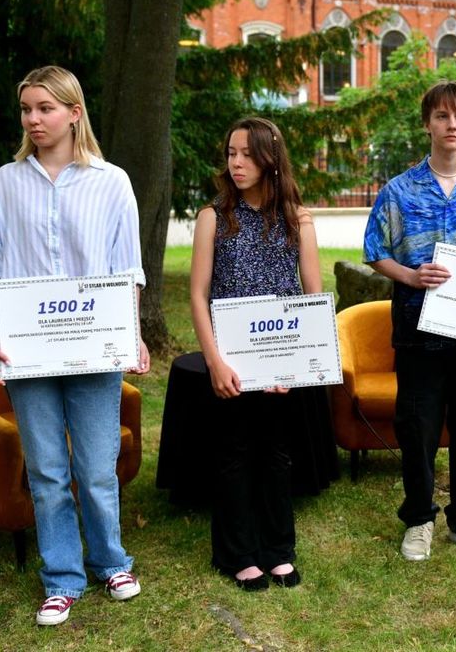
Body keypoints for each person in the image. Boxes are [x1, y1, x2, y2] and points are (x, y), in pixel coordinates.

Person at [0, 65, 149, 626]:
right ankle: (62, 577)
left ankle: (110, 561)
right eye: (26, 109)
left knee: (97, 465)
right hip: (27, 348)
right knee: (48, 470)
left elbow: (128, 269)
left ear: (74, 113)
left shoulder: (112, 181)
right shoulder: (8, 180)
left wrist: (134, 335)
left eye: (44, 109)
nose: (33, 119)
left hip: (93, 346)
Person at [363, 80, 456, 561]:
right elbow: (375, 252)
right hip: (417, 332)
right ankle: (419, 519)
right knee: (418, 427)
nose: (452, 125)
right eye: (442, 117)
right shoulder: (399, 190)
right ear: (428, 123)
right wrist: (409, 275)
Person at [189, 117, 320, 591]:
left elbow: (312, 297)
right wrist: (214, 361)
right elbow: (198, 295)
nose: (236, 162)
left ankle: (278, 549)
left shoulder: (298, 219)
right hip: (232, 359)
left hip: (281, 357)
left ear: (270, 158)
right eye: (230, 153)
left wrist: (297, 363)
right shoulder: (214, 215)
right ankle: (239, 553)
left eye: (246, 153)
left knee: (277, 455)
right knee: (234, 455)